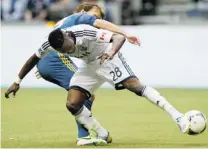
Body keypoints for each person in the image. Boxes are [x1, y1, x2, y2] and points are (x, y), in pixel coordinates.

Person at [4, 3, 140, 146]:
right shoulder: (80, 17)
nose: (95, 20)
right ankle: (84, 136)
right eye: (94, 15)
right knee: (84, 94)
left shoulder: (68, 23)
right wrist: (126, 33)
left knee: (83, 94)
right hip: (55, 59)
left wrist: (18, 80)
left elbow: (39, 53)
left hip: (47, 61)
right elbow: (101, 24)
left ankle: (92, 134)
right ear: (82, 11)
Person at [46, 24, 191, 143]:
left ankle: (178, 116)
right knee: (72, 103)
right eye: (65, 51)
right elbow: (36, 56)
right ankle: (102, 134)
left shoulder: (85, 32)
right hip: (88, 66)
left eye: (69, 46)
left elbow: (119, 37)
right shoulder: (52, 44)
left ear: (67, 35)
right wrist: (21, 78)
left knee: (135, 87)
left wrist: (111, 52)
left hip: (107, 58)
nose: (70, 50)